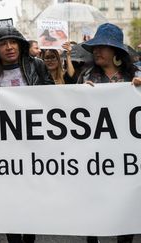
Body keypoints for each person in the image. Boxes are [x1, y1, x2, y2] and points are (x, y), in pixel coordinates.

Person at [0, 24, 54, 243]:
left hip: (32, 144)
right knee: (8, 197)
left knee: (30, 196)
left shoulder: (37, 65)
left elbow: (53, 96)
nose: (9, 47)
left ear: (20, 45)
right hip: (3, 147)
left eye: (13, 42)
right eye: (3, 44)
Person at [77, 23, 139, 243]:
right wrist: (79, 95)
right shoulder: (85, 75)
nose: (97, 51)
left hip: (126, 156)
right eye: (95, 46)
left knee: (126, 205)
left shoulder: (135, 76)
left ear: (116, 51)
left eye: (103, 46)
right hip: (94, 156)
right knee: (94, 204)